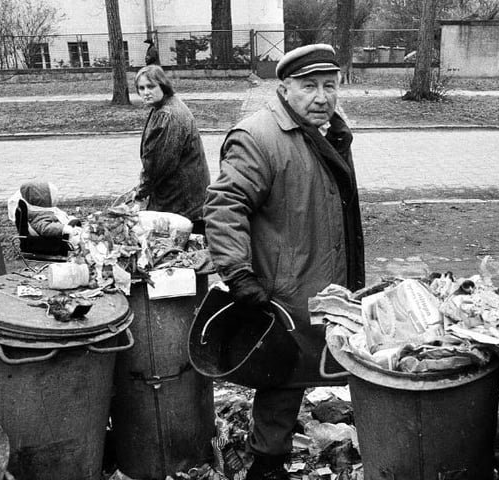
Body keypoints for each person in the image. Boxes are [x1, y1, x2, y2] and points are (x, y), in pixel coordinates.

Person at [204, 44, 365, 480]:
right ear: (284, 89)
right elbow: (224, 205)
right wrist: (237, 273)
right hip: (285, 283)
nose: (322, 97)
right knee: (283, 374)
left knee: (326, 359)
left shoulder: (326, 130)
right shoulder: (259, 137)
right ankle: (267, 464)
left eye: (329, 86)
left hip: (323, 273)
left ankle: (295, 437)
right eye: (309, 87)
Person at [133, 64, 210, 234]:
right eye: (141, 88)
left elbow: (158, 165)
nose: (146, 92)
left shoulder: (167, 115)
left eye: (151, 86)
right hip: (185, 198)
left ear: (163, 86)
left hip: (181, 202)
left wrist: (140, 193)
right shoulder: (165, 106)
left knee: (177, 251)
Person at [7, 181, 81, 241]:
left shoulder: (38, 210)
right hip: (56, 241)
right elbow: (45, 228)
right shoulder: (37, 215)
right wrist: (64, 228)